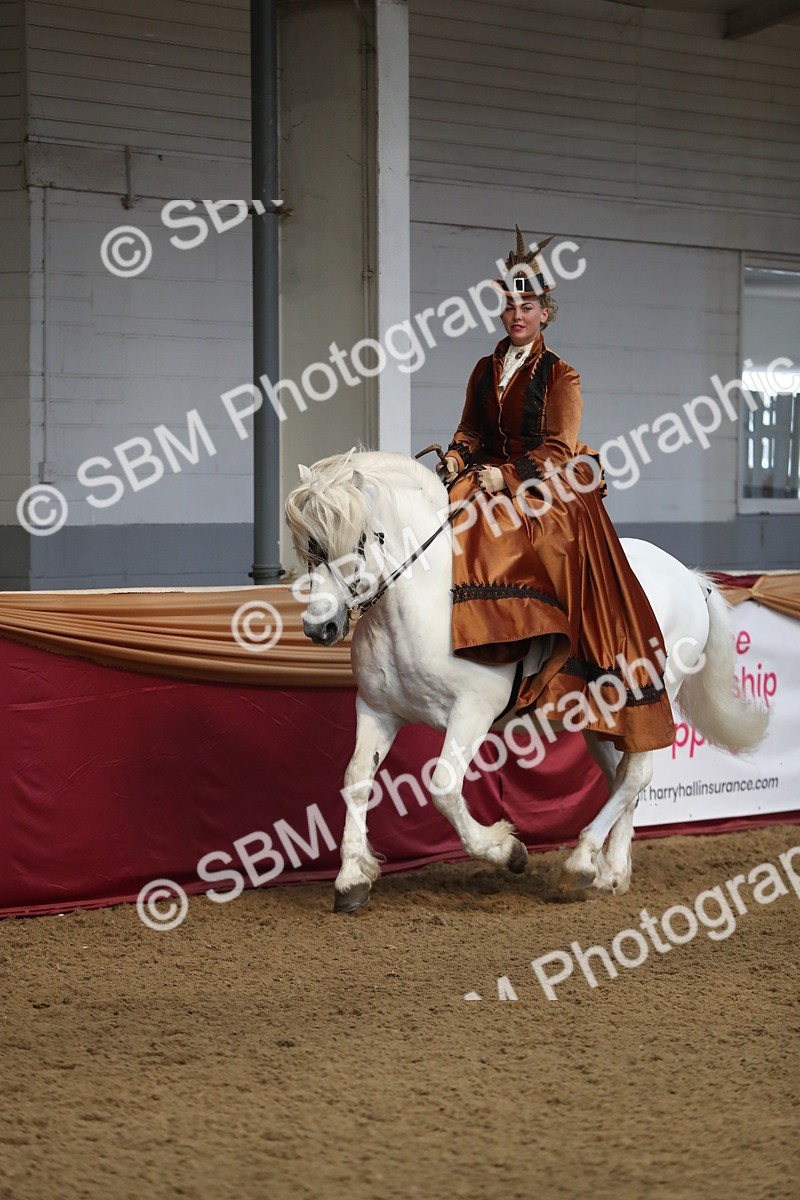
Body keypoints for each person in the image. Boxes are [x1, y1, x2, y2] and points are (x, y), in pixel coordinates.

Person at [442, 227, 675, 752]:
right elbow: (472, 429)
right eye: (509, 307)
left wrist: (508, 477)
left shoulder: (561, 376)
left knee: (549, 543)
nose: (518, 315)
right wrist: (457, 456)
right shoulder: (484, 368)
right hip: (487, 473)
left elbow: (558, 448)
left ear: (545, 313)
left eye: (528, 306)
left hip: (547, 481)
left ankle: (553, 652)